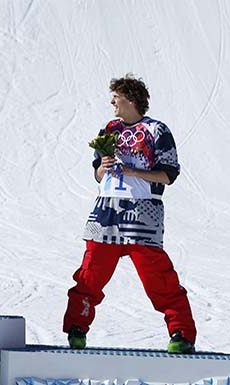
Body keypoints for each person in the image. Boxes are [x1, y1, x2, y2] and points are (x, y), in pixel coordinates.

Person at [62, 75, 196, 353]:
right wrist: (104, 166)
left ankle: (181, 333)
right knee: (90, 274)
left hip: (142, 210)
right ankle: (76, 329)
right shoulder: (108, 128)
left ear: (131, 98)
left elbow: (169, 175)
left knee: (158, 279)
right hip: (105, 210)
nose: (112, 101)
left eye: (116, 96)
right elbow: (98, 174)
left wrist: (134, 172)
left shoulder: (157, 130)